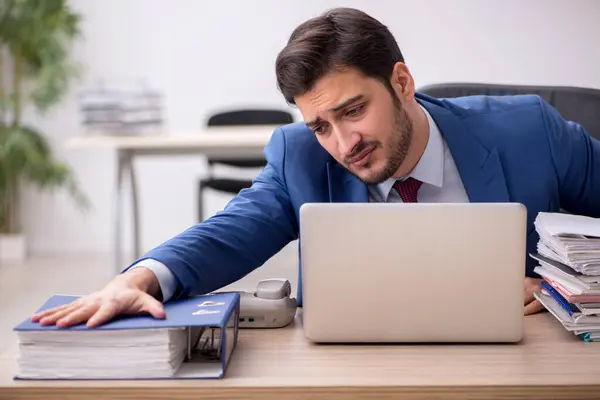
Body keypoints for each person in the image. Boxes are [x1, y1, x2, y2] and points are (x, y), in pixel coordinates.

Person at [33, 7, 600, 328]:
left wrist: (566, 288)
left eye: (354, 111)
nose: (343, 142)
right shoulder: (299, 156)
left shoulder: (531, 131)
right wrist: (136, 279)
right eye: (321, 125)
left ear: (401, 83)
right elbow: (227, 234)